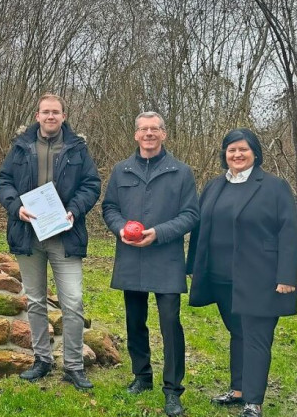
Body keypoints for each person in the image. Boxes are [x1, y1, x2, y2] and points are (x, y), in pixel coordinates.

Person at [186, 129, 297, 417]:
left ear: (255, 153)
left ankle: (253, 401)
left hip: (260, 276)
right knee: (237, 332)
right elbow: (200, 227)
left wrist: (286, 276)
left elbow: (288, 232)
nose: (237, 154)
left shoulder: (274, 187)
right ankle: (238, 390)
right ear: (224, 154)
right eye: (231, 150)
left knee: (257, 337)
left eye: (243, 149)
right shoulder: (214, 186)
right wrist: (194, 266)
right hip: (221, 275)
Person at [0, 94, 101, 391]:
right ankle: (42, 359)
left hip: (65, 235)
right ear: (37, 115)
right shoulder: (21, 146)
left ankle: (74, 365)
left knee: (73, 301)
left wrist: (74, 210)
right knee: (35, 301)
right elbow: (3, 181)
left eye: (56, 112)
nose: (50, 116)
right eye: (46, 112)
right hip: (28, 234)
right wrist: (16, 206)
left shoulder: (77, 148)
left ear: (63, 116)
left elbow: (91, 184)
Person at [102, 112, 199, 416]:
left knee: (170, 324)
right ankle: (142, 376)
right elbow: (109, 207)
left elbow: (191, 215)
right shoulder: (121, 170)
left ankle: (173, 390)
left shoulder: (181, 172)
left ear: (163, 134)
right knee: (134, 321)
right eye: (143, 129)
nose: (148, 134)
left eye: (154, 129)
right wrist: (120, 228)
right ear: (135, 135)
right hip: (131, 256)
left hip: (166, 257)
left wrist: (159, 233)